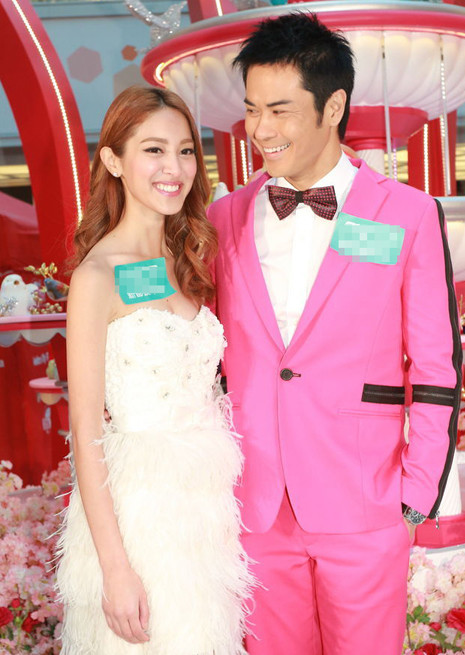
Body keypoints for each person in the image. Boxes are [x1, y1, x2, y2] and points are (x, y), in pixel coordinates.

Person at [207, 13, 461, 655]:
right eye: (252, 110)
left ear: (333, 106)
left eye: (280, 111)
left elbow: (436, 367)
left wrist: (416, 497)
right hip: (256, 506)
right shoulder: (222, 218)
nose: (261, 130)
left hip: (365, 501)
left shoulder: (407, 213)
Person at [56, 85, 252, 655]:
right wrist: (115, 569)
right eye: (153, 150)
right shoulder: (96, 277)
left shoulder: (188, 260)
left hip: (207, 515)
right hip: (137, 519)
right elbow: (85, 431)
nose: (175, 168)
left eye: (186, 150)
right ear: (114, 161)